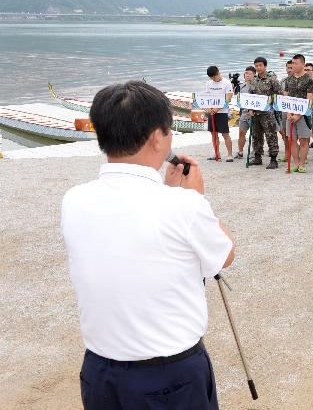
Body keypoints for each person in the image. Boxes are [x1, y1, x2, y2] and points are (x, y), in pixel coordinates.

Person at [62, 81, 235, 409]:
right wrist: (195, 196)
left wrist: (176, 196)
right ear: (157, 136)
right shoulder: (183, 206)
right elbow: (225, 254)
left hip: (100, 369)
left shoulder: (74, 199)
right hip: (170, 375)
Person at [247, 57, 282, 169]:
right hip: (255, 113)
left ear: (265, 66)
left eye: (260, 65)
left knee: (271, 135)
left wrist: (272, 105)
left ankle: (273, 159)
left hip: (268, 113)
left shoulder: (272, 80)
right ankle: (257, 157)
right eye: (256, 66)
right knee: (256, 136)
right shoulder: (253, 80)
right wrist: (250, 109)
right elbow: (250, 96)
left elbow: (279, 94)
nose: (258, 68)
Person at [282, 54, 313, 173]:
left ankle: (302, 163)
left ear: (302, 64)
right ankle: (295, 162)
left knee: (304, 140)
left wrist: (298, 115)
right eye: (292, 63)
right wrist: (289, 113)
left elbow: (309, 100)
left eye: (295, 63)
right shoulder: (289, 79)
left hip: (303, 115)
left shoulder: (309, 80)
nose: (293, 65)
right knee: (291, 139)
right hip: (290, 113)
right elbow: (285, 96)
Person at [204, 66, 234, 162]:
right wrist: (209, 108)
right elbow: (207, 97)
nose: (214, 79)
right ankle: (217, 153)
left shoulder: (227, 83)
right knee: (213, 134)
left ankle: (230, 155)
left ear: (218, 73)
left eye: (214, 77)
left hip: (222, 112)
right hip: (212, 111)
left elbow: (228, 98)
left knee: (225, 134)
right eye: (211, 78)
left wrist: (218, 108)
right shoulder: (209, 83)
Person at [235, 66, 256, 159]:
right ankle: (240, 151)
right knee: (241, 133)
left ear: (254, 75)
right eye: (246, 73)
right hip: (244, 113)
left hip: (254, 114)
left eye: (249, 73)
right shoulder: (241, 86)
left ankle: (255, 151)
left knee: (255, 134)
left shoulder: (257, 86)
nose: (247, 75)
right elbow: (239, 99)